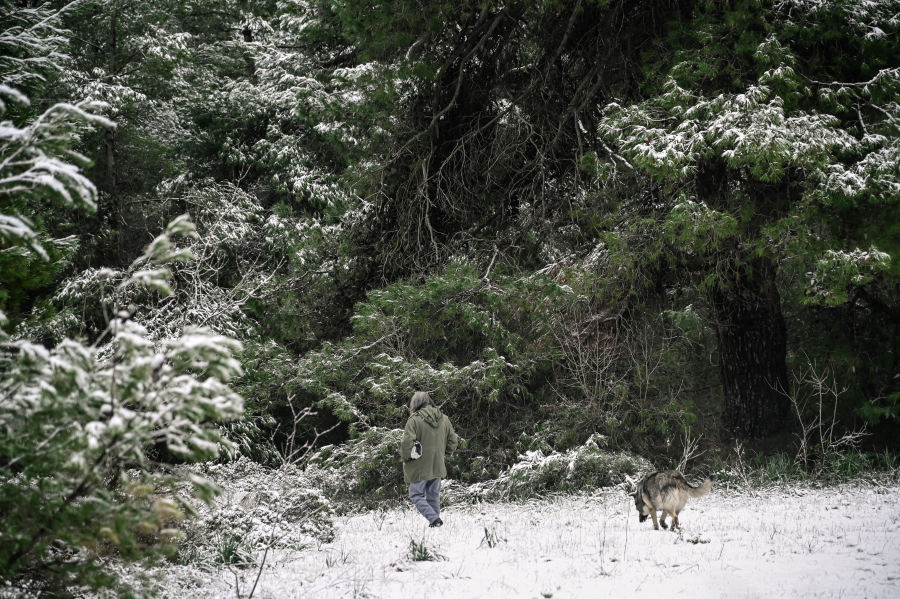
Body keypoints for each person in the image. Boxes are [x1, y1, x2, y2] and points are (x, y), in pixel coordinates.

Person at [399, 391, 459, 527]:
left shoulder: (413, 420)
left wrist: (406, 457)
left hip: (419, 465)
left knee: (416, 495)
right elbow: (453, 442)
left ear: (415, 404)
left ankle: (434, 519)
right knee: (433, 496)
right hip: (438, 462)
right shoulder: (444, 418)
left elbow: (407, 443)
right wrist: (443, 453)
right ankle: (435, 522)